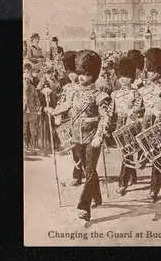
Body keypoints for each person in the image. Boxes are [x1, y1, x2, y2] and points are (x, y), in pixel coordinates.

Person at [45, 50, 111, 222]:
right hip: (76, 136)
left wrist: (99, 135)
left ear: (93, 75)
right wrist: (52, 111)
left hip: (92, 137)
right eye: (80, 73)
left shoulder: (100, 95)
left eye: (86, 74)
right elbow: (65, 106)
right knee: (85, 169)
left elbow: (105, 117)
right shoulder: (74, 92)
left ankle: (84, 207)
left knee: (89, 171)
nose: (81, 77)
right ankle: (97, 196)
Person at [138, 48, 161, 203]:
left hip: (159, 121)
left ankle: (154, 188)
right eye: (148, 70)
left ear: (159, 71)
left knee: (156, 153)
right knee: (155, 152)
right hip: (147, 120)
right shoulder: (142, 88)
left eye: (152, 71)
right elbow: (139, 105)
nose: (149, 73)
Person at [111, 57, 143, 196]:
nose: (124, 79)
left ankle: (122, 183)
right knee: (126, 152)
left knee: (127, 152)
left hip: (131, 124)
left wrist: (131, 113)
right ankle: (132, 176)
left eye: (127, 76)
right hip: (120, 123)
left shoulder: (136, 93)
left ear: (132, 77)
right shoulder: (114, 94)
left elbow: (137, 108)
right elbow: (111, 111)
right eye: (121, 76)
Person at [54, 51, 86, 186]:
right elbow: (62, 102)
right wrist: (57, 114)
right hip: (70, 122)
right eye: (70, 72)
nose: (72, 75)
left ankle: (82, 173)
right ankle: (78, 175)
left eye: (75, 72)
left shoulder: (84, 86)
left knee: (82, 149)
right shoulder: (66, 87)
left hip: (83, 121)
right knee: (74, 149)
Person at [23, 63, 42, 153]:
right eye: (24, 76)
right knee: (24, 130)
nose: (26, 78)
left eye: (28, 75)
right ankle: (26, 145)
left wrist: (38, 108)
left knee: (33, 129)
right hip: (23, 111)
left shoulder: (33, 87)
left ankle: (33, 146)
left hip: (32, 110)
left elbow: (36, 98)